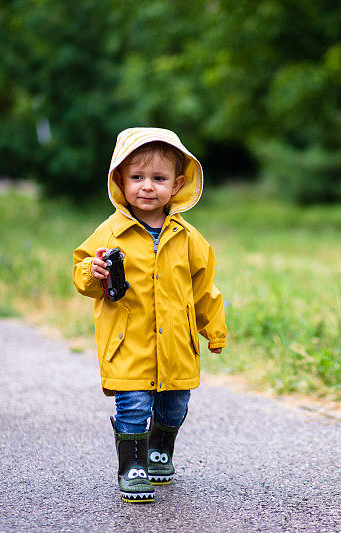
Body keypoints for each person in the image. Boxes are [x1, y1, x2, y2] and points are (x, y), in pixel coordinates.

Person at [72, 127, 226, 503]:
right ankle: (132, 465)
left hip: (176, 344)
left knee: (175, 404)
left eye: (158, 179)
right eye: (137, 177)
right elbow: (82, 271)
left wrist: (214, 330)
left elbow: (205, 289)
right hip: (129, 342)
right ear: (120, 180)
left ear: (176, 185)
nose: (147, 187)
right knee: (133, 403)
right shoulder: (110, 232)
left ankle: (160, 447)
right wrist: (91, 274)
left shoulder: (188, 238)